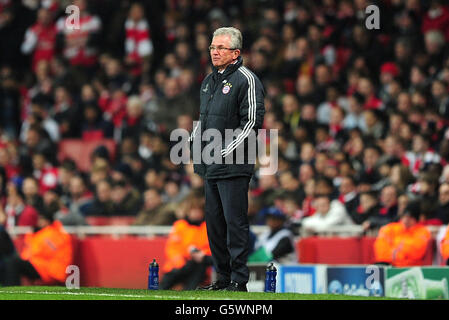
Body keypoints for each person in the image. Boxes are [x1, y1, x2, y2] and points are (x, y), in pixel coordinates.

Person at [190, 27, 265, 292]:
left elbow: (252, 121)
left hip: (234, 165)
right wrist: (194, 140)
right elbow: (205, 118)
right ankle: (221, 278)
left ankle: (239, 280)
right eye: (212, 47)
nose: (214, 52)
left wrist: (226, 149)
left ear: (235, 53)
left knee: (235, 223)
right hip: (211, 166)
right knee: (215, 225)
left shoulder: (247, 79)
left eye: (220, 48)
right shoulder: (209, 81)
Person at [0, 210, 73, 286]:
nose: (38, 221)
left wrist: (26, 258)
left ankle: (11, 292)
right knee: (9, 261)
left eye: (41, 219)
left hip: (50, 269)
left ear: (47, 220)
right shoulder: (41, 233)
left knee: (12, 262)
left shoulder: (53, 234)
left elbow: (39, 252)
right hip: (40, 265)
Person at [159, 196, 212, 290]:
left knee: (198, 269)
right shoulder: (180, 225)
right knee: (165, 283)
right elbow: (172, 248)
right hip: (179, 265)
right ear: (188, 211)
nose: (196, 213)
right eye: (193, 210)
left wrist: (202, 255)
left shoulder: (206, 227)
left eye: (198, 210)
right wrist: (181, 262)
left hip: (198, 264)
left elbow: (209, 248)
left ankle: (189, 292)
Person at [373, 201, 432, 267]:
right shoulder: (390, 228)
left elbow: (416, 253)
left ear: (416, 219)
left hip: (410, 269)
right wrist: (399, 255)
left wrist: (395, 254)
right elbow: (380, 249)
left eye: (410, 217)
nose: (406, 220)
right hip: (388, 265)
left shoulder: (423, 231)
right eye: (404, 216)